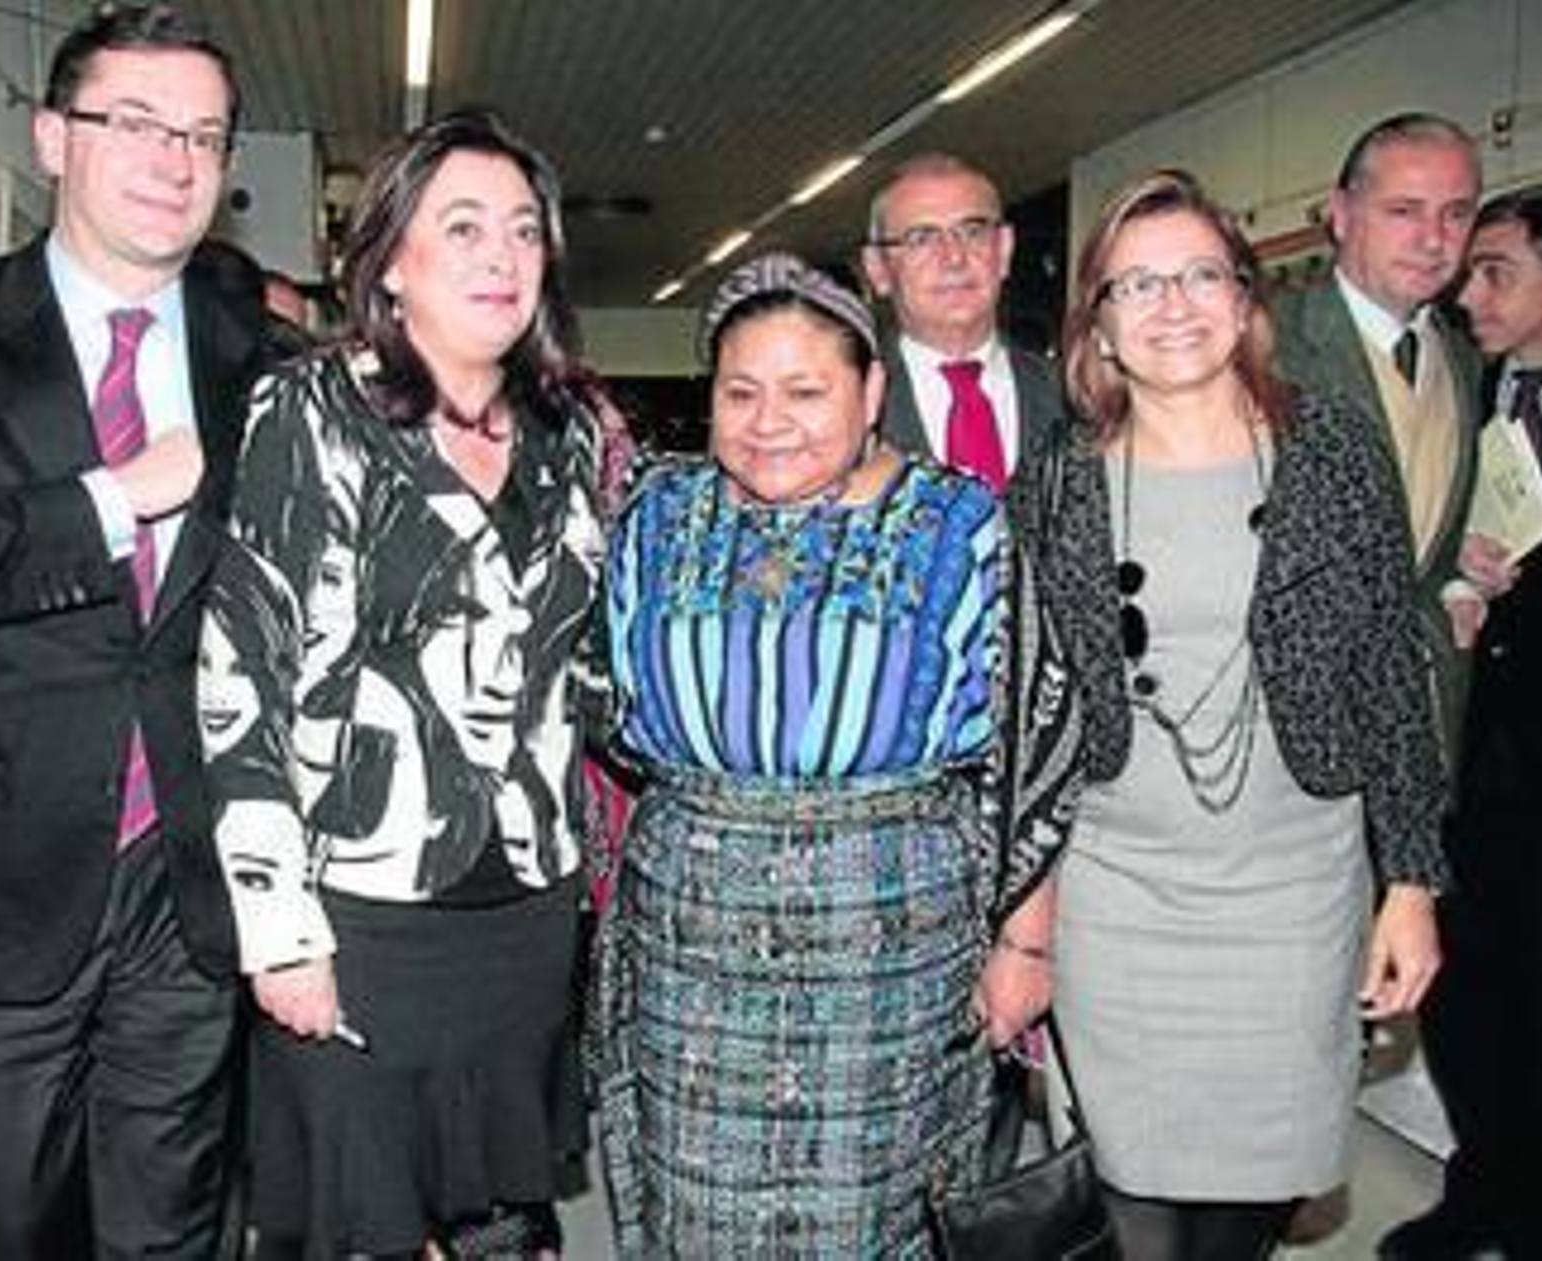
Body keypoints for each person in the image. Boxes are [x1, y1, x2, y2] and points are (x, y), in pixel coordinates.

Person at [597, 251, 1081, 1257]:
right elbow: (603, 704)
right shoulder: (656, 514)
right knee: (698, 1214)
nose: (768, 420)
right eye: (740, 392)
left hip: (893, 939)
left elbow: (1035, 741)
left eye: (805, 390)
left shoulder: (961, 525)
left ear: (869, 392)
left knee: (878, 1215)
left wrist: (1026, 944)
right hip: (693, 940)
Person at [1018, 170, 1448, 1261]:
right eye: (1138, 283)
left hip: (1297, 906)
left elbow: (1392, 672)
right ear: (1098, 326)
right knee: (1141, 1221)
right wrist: (1020, 919)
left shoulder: (1333, 453)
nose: (1173, 305)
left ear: (1246, 300)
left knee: (1243, 1222)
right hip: (1119, 904)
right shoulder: (1057, 484)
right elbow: (1027, 714)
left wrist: (1409, 883)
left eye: (1200, 274)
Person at [197, 108, 603, 1259]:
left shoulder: (566, 430)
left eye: (523, 231)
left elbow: (566, 665)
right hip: (359, 910)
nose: (500, 255)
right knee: (360, 1229)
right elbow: (243, 671)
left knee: (498, 1228)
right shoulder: (310, 408)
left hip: (523, 909)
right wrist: (277, 926)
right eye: (461, 226)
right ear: (391, 261)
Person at [0, 5, 264, 1257]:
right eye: (134, 123)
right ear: (50, 138)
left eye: (201, 134)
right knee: (19, 1224)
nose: (173, 160)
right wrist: (115, 495)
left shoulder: (265, 355)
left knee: (169, 1229)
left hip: (186, 890)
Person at [1378, 185, 1542, 1261]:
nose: (1466, 288)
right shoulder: (1480, 393)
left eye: (1496, 269)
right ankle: (1485, 1184)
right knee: (1471, 987)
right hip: (1480, 760)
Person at [1273, 112, 1483, 772]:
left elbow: (1423, 537)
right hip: (1289, 738)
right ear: (1340, 214)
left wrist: (1457, 577)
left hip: (1420, 724)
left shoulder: (1462, 358)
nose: (1433, 239)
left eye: (1456, 213)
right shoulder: (1262, 347)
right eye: (1404, 210)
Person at [861, 153, 1067, 492]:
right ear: (878, 269)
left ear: (1004, 251)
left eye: (973, 232)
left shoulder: (1078, 400)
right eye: (921, 238)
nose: (954, 258)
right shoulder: (845, 415)